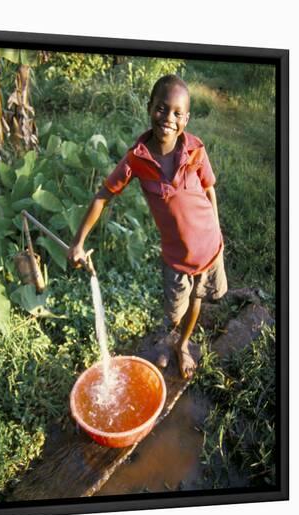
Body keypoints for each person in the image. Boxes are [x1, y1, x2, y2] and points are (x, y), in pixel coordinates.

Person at [67, 74, 227, 379]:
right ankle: (174, 333)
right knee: (175, 310)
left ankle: (181, 346)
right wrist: (78, 241)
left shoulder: (195, 150)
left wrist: (216, 228)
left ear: (187, 118)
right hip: (176, 258)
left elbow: (209, 189)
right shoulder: (136, 160)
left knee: (198, 299)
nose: (168, 118)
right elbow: (103, 197)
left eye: (178, 113)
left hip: (209, 248)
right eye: (162, 108)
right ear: (149, 106)